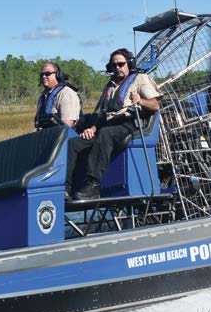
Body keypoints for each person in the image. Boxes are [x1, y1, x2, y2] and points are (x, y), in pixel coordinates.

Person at [67, 48, 162, 200]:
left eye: (121, 64)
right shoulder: (109, 86)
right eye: (114, 65)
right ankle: (67, 187)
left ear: (128, 64)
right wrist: (92, 128)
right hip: (109, 125)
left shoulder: (140, 78)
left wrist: (141, 101)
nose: (117, 67)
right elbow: (102, 115)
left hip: (130, 123)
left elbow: (155, 106)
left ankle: (93, 185)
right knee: (75, 143)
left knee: (105, 134)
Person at [34, 62, 81, 129]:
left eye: (47, 74)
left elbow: (67, 127)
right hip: (45, 136)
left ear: (58, 75)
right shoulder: (43, 96)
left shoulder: (66, 93)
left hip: (64, 137)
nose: (44, 76)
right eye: (42, 74)